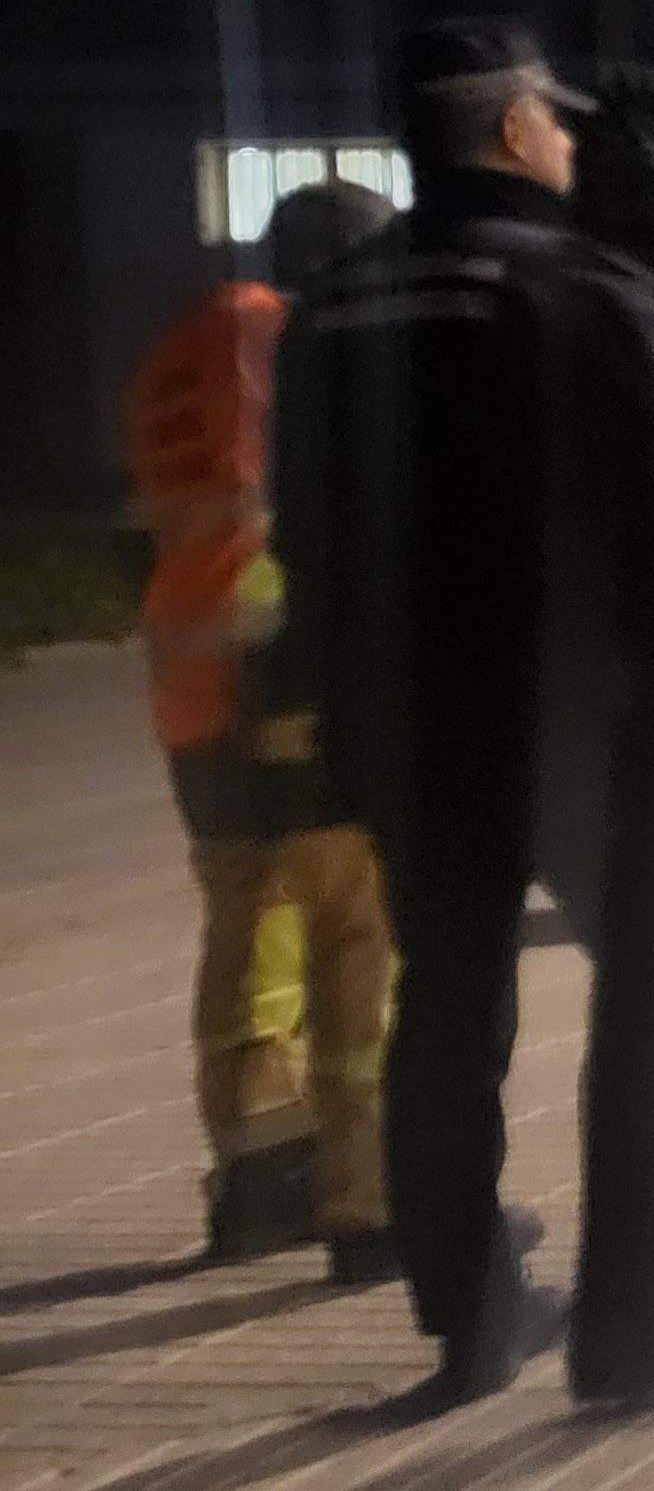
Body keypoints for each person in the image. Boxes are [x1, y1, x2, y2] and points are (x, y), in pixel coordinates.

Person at [260, 17, 654, 1418]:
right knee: (650, 1005)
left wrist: (330, 725)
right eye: (555, 120)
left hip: (408, 732)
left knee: (445, 1007)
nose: (567, 140)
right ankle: (635, 1332)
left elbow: (309, 539)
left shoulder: (336, 307)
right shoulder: (583, 285)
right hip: (584, 728)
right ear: (512, 129)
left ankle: (467, 1314)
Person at [128, 180, 399, 1276]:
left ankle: (257, 1184)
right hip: (282, 673)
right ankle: (367, 1201)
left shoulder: (174, 353)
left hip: (190, 687)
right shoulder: (285, 343)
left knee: (245, 926)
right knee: (350, 931)